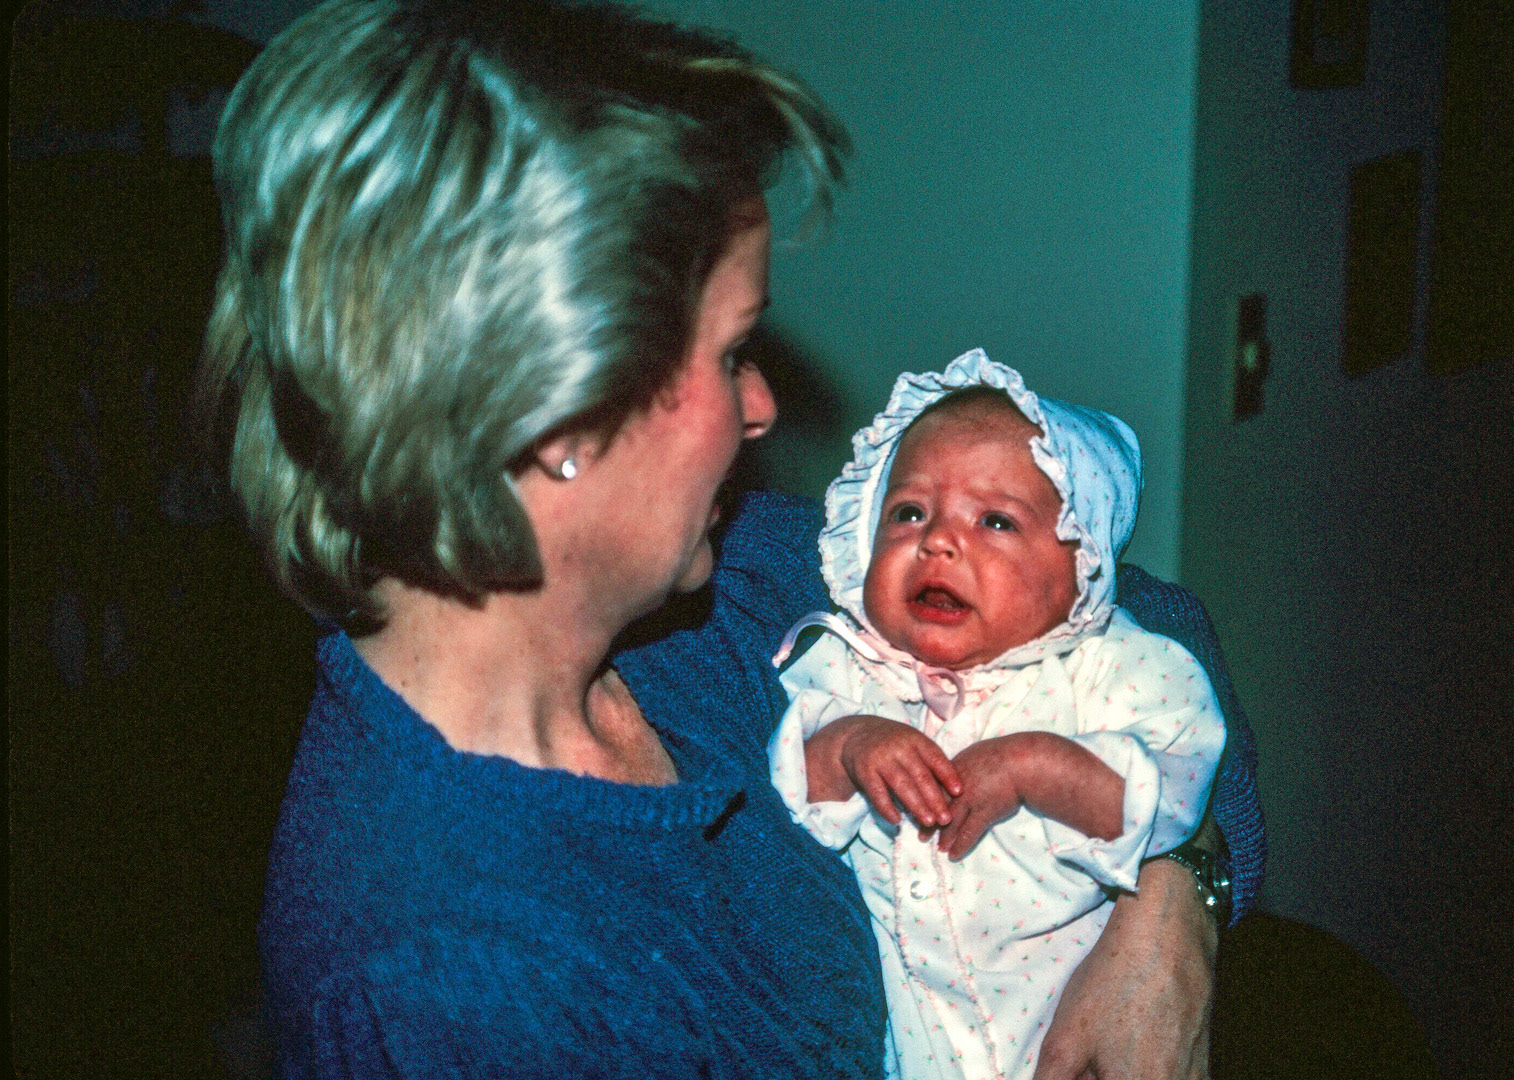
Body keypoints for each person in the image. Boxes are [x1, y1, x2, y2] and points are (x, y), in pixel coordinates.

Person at [195, 1, 1263, 1077]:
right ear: (558, 419)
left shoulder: (718, 596)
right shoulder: (434, 985)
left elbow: (1144, 620)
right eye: (731, 352)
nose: (761, 408)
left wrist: (1173, 904)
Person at [769, 351, 1227, 1079]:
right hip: (914, 1049)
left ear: (1083, 563)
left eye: (994, 520)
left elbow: (1172, 805)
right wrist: (847, 746)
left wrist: (1038, 767)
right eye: (909, 511)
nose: (939, 541)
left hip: (1073, 1037)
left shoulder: (1116, 670)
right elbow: (791, 803)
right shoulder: (846, 667)